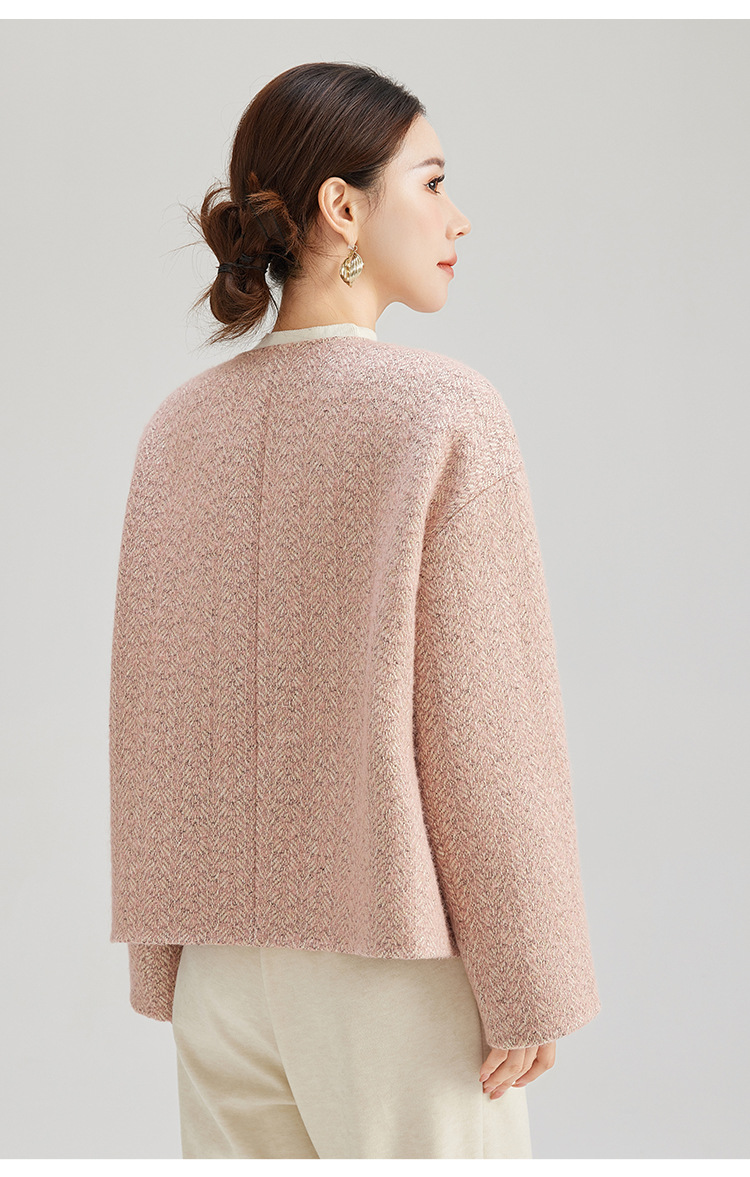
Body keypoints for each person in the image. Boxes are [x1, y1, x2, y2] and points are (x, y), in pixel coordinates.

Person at [109, 61, 601, 1160]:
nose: (457, 216)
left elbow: (154, 707)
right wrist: (530, 976)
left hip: (221, 973)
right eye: (432, 180)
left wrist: (166, 958)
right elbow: (488, 721)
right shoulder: (442, 412)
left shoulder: (178, 428)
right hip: (391, 970)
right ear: (342, 205)